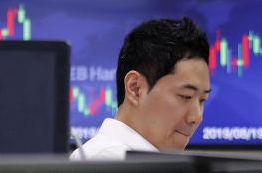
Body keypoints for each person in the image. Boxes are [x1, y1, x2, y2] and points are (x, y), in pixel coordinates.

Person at [71, 17, 211, 160]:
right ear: (135, 88)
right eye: (185, 96)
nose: (196, 117)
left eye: (202, 100)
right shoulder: (109, 159)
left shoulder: (148, 163)